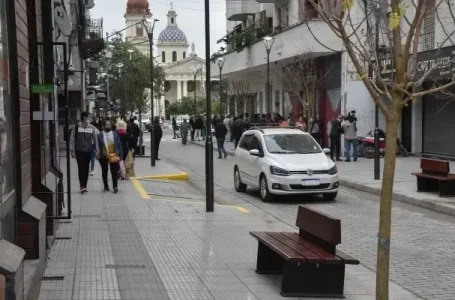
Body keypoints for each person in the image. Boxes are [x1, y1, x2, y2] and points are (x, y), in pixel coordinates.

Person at [70, 112, 100, 193]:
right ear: (84, 118)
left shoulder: (92, 128)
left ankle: (85, 185)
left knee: (86, 168)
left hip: (88, 151)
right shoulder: (76, 127)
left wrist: (97, 151)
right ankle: (82, 186)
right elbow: (72, 138)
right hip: (79, 151)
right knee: (81, 168)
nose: (90, 119)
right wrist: (72, 150)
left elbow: (95, 140)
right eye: (89, 117)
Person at [97, 120, 123, 193]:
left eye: (109, 125)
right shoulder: (100, 135)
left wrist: (121, 155)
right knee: (104, 171)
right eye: (107, 125)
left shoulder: (115, 134)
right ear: (103, 126)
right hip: (104, 155)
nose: (108, 126)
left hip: (113, 154)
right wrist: (98, 154)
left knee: (114, 171)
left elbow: (119, 144)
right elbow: (97, 145)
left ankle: (115, 186)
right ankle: (106, 186)